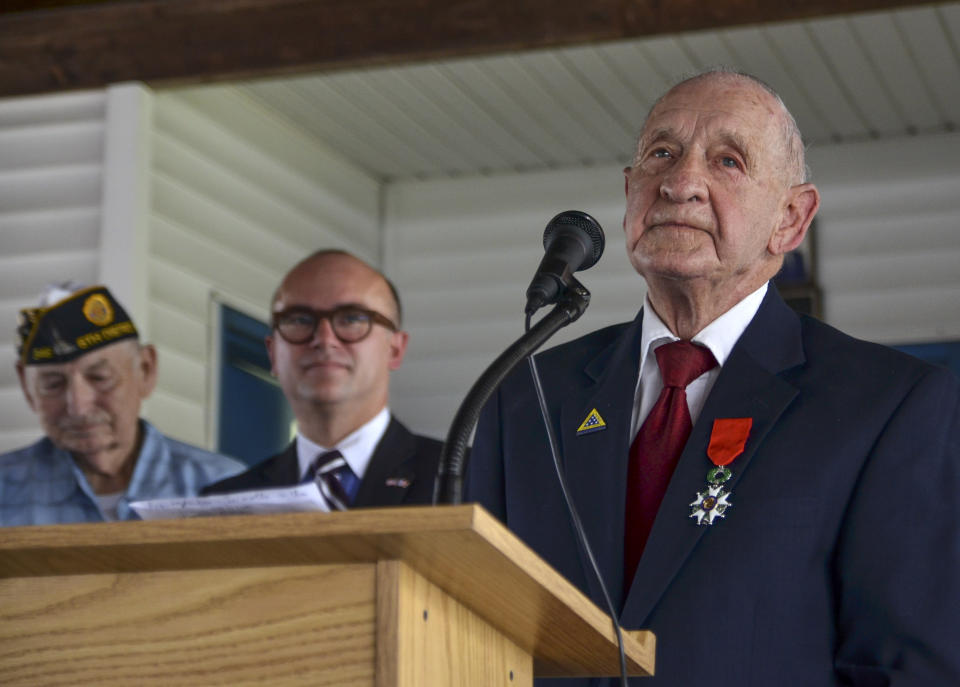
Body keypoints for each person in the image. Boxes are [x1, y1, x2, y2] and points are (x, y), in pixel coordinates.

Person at [465, 69, 960, 685]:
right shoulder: (525, 393)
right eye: (661, 154)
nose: (680, 184)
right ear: (629, 191)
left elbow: (903, 669)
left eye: (727, 161)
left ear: (791, 219)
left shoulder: (887, 406)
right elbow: (467, 633)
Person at [204, 250, 443, 507]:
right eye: (299, 320)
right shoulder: (225, 503)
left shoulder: (465, 479)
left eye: (351, 318)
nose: (324, 339)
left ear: (395, 349)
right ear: (272, 353)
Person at [1, 283, 245, 526]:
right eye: (53, 384)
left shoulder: (225, 488)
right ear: (26, 386)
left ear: (146, 370)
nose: (78, 407)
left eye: (100, 378)